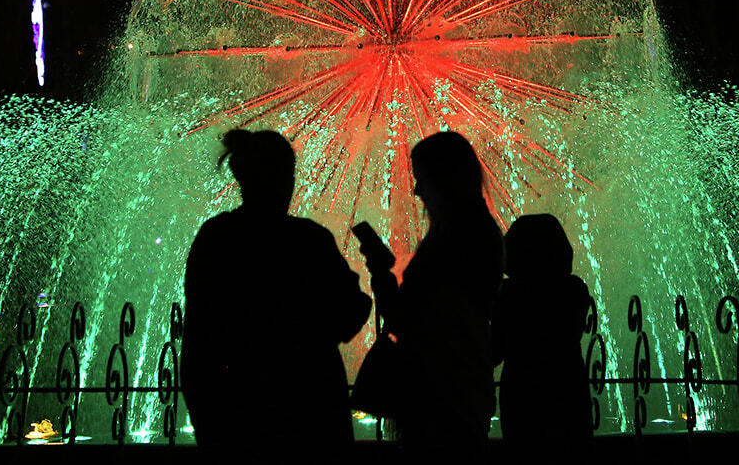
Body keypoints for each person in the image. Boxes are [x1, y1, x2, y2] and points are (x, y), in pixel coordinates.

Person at [182, 129, 372, 457]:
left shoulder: (217, 239)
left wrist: (206, 422)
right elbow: (348, 316)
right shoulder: (309, 241)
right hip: (313, 413)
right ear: (284, 177)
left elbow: (199, 341)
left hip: (239, 414)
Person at [360, 131, 504, 458]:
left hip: (442, 396)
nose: (417, 190)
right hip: (456, 390)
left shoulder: (457, 239)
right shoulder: (474, 233)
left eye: (423, 179)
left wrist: (382, 275)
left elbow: (409, 319)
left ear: (446, 179)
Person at [491, 213, 593, 456]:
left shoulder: (510, 295)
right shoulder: (573, 290)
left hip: (523, 396)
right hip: (569, 388)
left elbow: (494, 350)